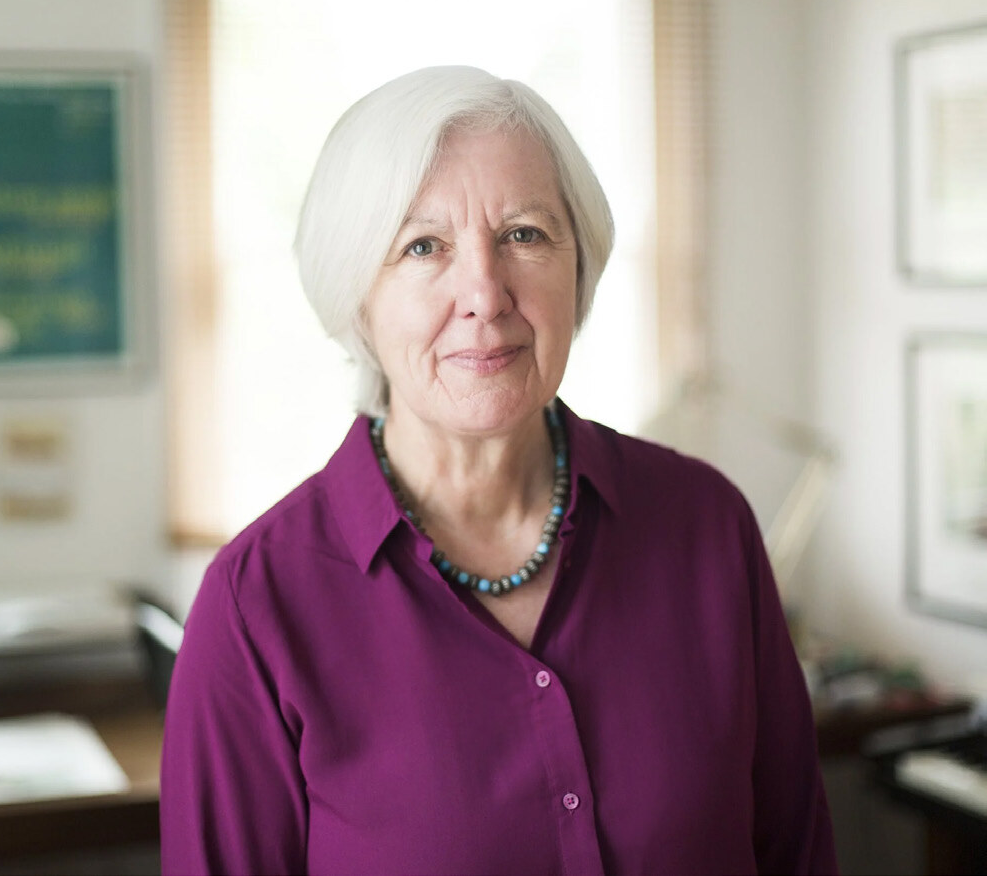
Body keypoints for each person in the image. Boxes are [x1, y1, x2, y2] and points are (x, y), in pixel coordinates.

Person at [161, 66, 838, 876]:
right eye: (423, 247)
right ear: (357, 299)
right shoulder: (256, 605)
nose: (484, 293)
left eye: (524, 235)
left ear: (577, 270)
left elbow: (797, 854)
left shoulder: (708, 526)